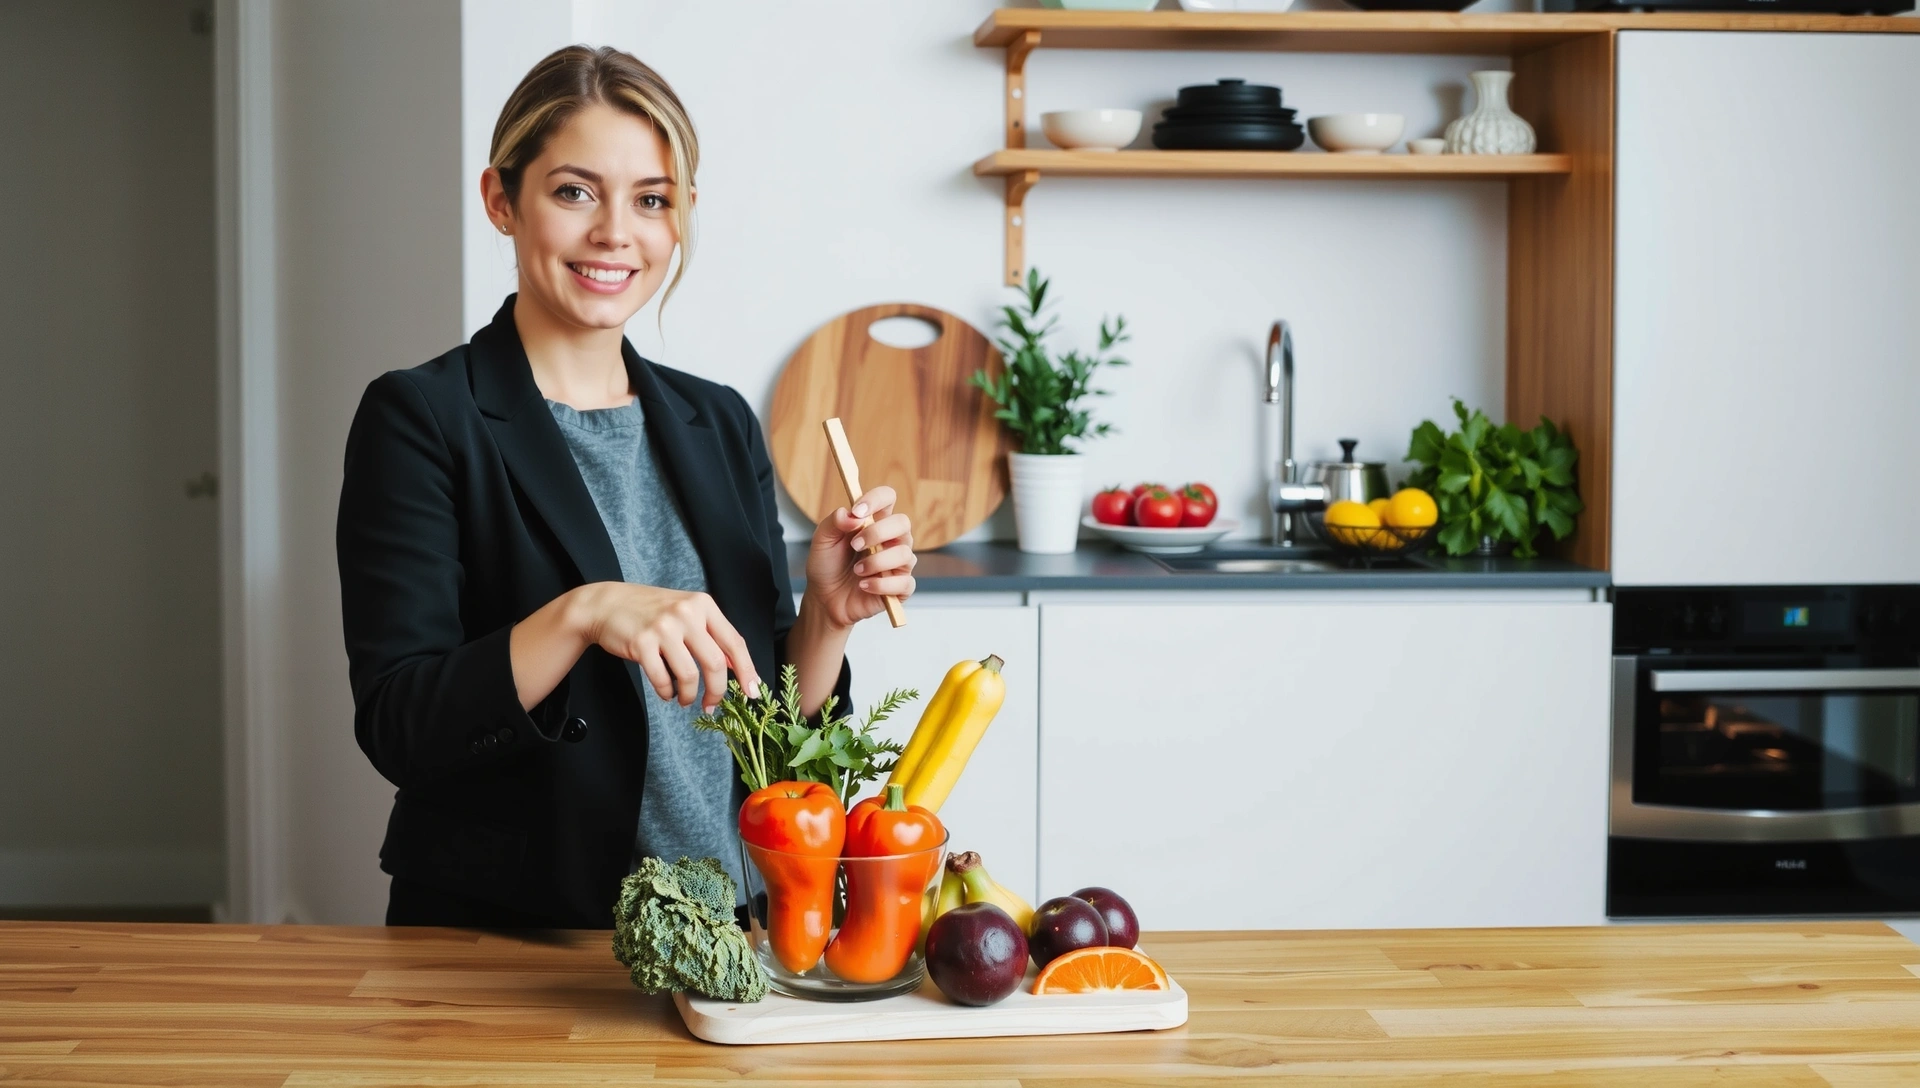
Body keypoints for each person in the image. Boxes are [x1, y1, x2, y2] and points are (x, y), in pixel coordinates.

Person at [336, 45, 916, 929]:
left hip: (734, 932)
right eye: (575, 192)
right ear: (502, 200)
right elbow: (401, 728)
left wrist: (826, 619)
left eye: (651, 199)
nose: (616, 232)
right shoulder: (419, 417)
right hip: (521, 947)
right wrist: (585, 612)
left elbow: (772, 738)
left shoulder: (718, 422)